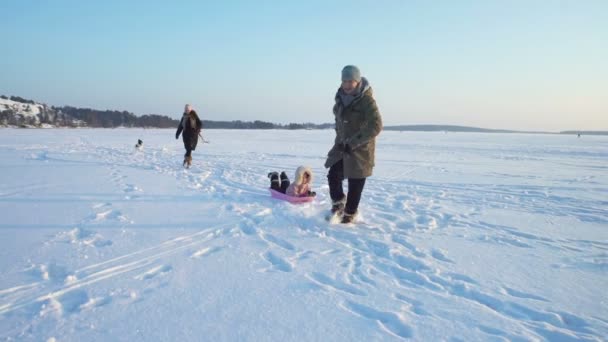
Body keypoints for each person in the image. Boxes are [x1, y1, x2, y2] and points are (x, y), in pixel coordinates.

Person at [324, 65, 382, 223]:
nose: (348, 85)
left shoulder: (366, 100)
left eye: (351, 81)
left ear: (358, 81)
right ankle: (338, 204)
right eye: (345, 81)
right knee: (333, 175)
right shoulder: (340, 97)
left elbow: (376, 125)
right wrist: (340, 141)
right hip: (342, 148)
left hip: (360, 150)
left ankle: (350, 213)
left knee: (355, 181)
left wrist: (354, 141)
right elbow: (339, 123)